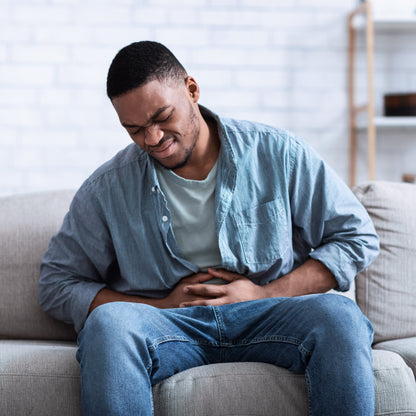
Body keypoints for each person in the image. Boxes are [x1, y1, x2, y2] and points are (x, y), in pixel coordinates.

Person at [39, 41, 379, 415]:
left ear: (192, 90)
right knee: (108, 325)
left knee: (340, 317)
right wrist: (158, 305)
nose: (153, 139)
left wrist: (265, 294)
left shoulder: (277, 153)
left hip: (271, 314)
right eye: (135, 130)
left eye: (161, 117)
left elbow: (355, 236)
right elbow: (58, 283)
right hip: (169, 325)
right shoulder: (107, 188)